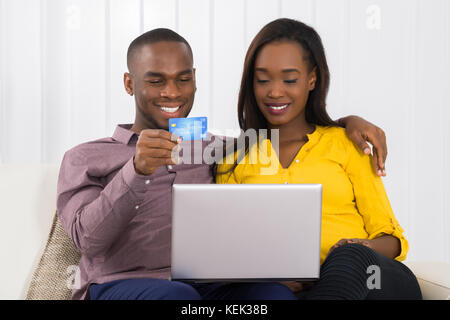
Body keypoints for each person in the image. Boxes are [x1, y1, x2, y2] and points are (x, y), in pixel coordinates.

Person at [57, 27, 391, 300]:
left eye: (182, 79)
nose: (171, 92)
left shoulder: (223, 150)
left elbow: (288, 133)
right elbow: (87, 240)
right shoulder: (86, 157)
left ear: (195, 80)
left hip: (214, 285)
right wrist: (137, 170)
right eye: (156, 80)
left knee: (274, 295)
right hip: (124, 283)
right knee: (176, 299)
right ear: (130, 83)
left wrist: (347, 122)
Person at [216, 18, 422, 300]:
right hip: (292, 289)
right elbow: (227, 247)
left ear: (312, 78)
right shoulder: (234, 161)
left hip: (373, 280)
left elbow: (393, 239)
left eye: (290, 79)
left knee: (348, 256)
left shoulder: (347, 144)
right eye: (263, 79)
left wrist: (358, 247)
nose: (275, 91)